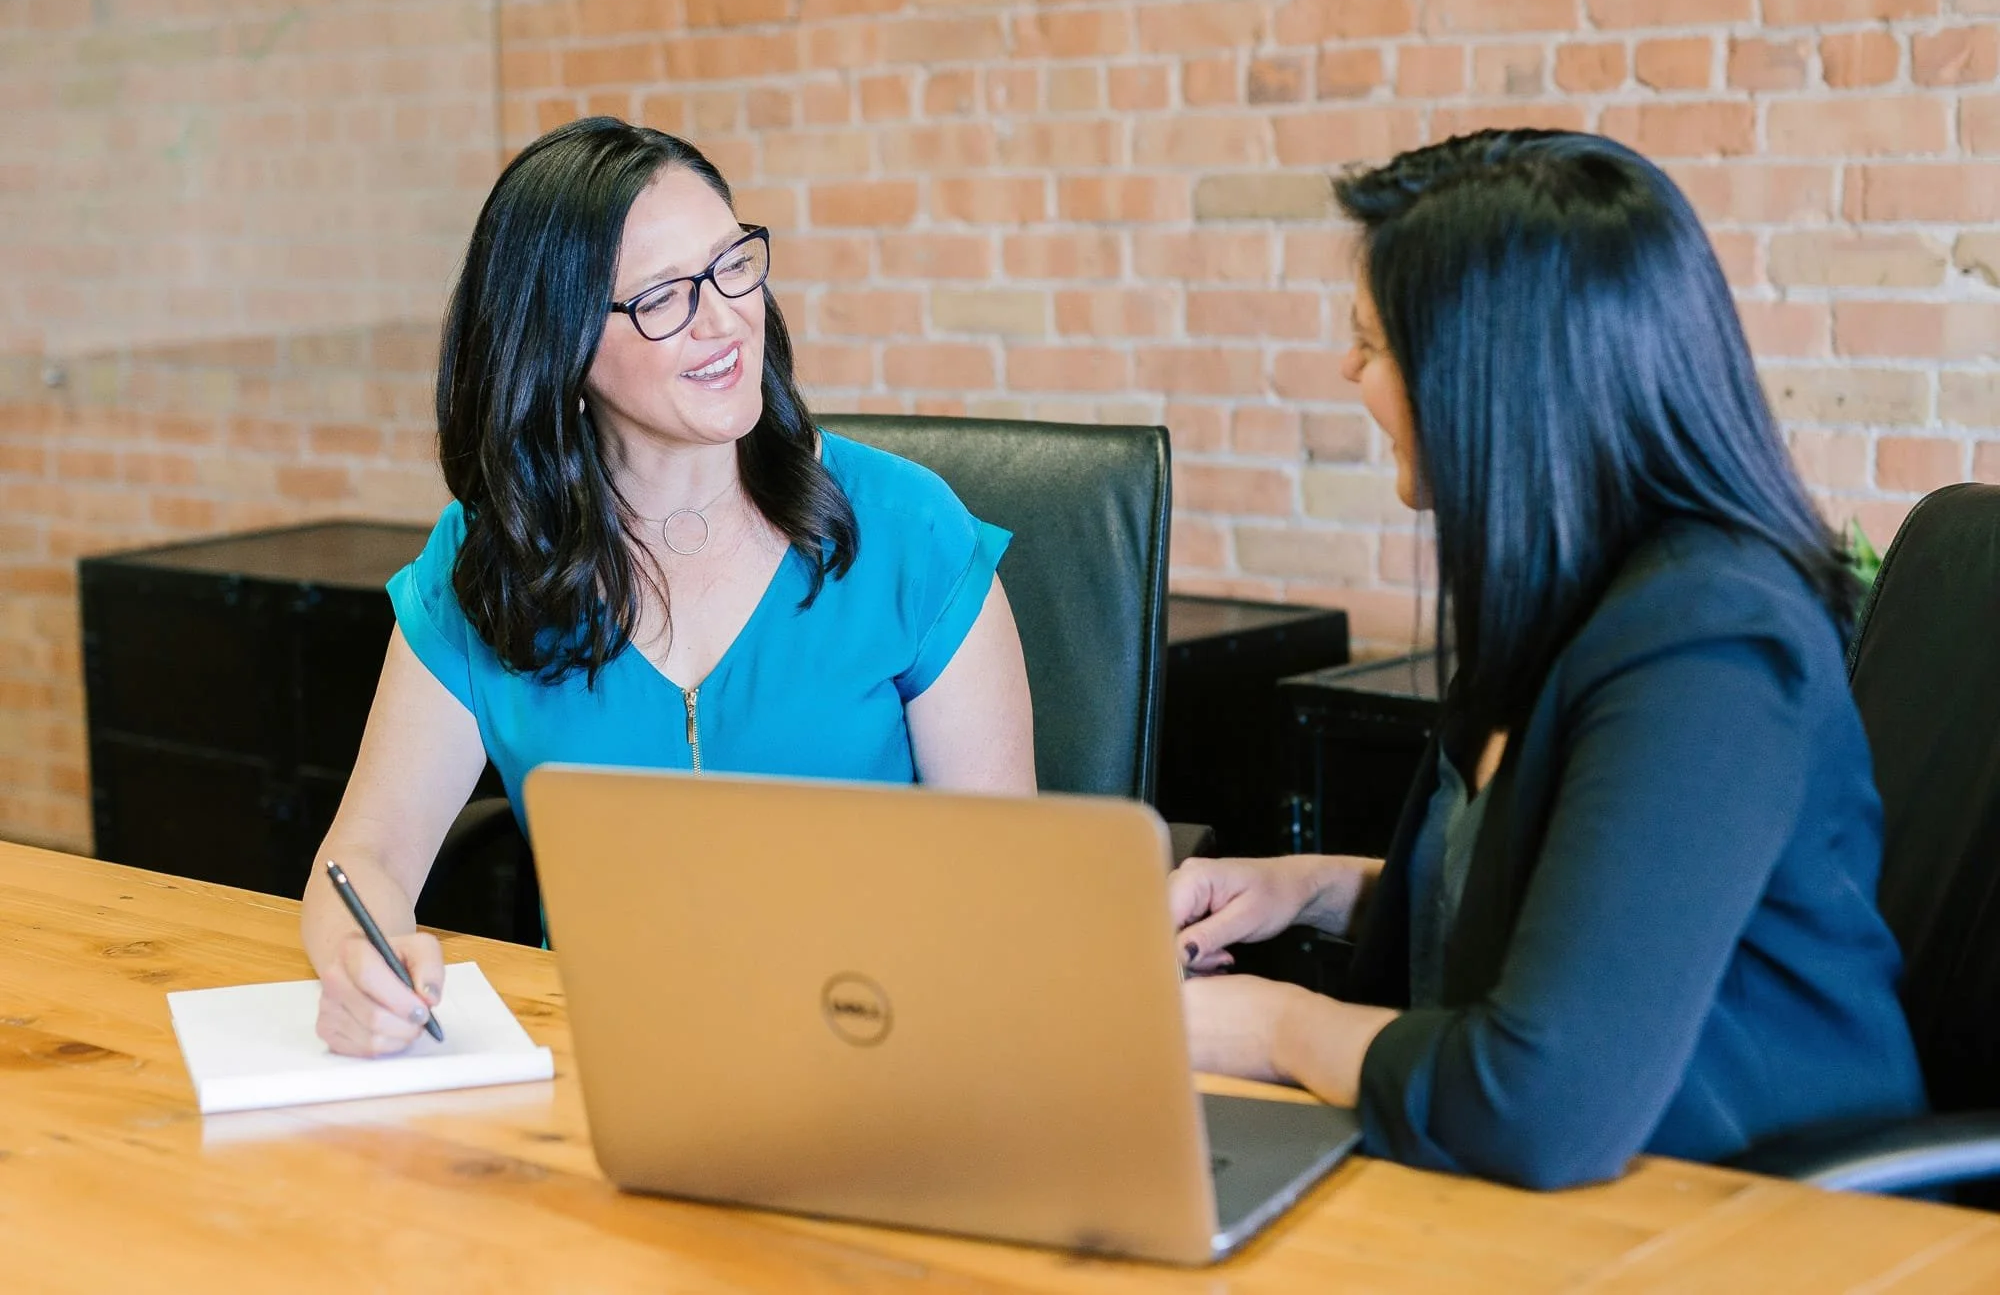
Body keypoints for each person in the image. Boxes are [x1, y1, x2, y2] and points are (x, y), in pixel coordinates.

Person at [1171, 130, 1925, 1190]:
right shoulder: (1565, 593)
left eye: (1370, 343)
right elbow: (1565, 900)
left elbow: (1536, 1102)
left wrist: (1273, 1026)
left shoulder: (1707, 645)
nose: (1346, 370)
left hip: (1750, 1208)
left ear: (1488, 379)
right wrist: (1309, 886)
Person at [302, 118, 1035, 1057]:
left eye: (734, 265)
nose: (726, 317)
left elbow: (1009, 884)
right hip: (606, 1068)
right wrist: (358, 967)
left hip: (883, 1051)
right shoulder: (489, 565)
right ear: (560, 348)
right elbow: (361, 857)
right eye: (662, 298)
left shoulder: (908, 532)